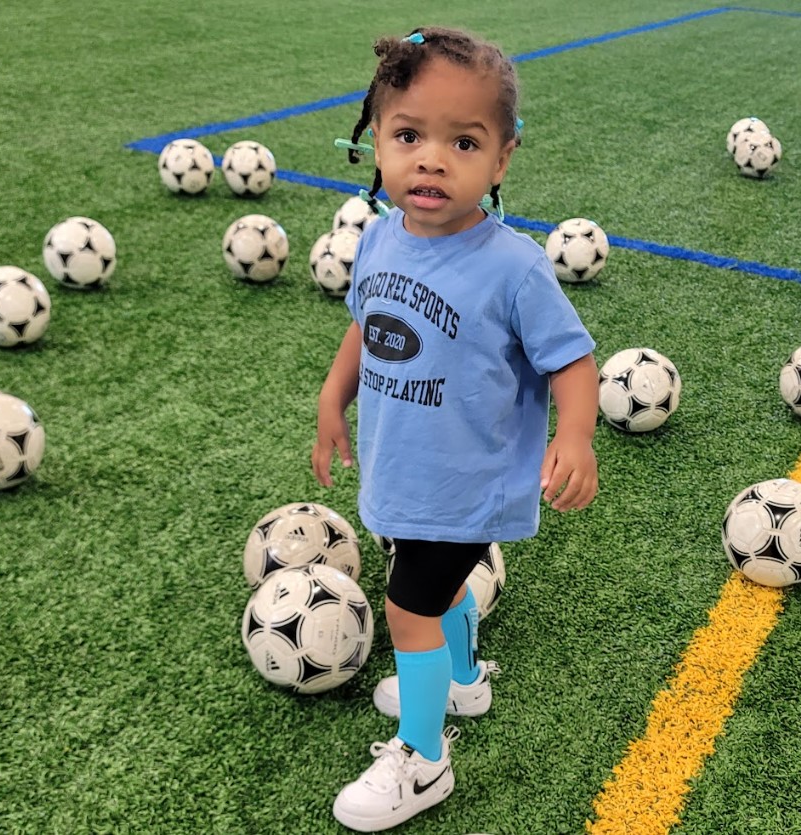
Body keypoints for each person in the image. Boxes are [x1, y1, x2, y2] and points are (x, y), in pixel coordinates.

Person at [311, 25, 599, 832]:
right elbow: (363, 328)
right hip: (402, 468)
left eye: (462, 141)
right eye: (408, 136)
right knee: (425, 588)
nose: (430, 159)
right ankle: (462, 677)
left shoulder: (513, 266)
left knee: (407, 609)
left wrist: (572, 437)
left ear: (501, 158)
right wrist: (333, 400)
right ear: (375, 143)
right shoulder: (376, 238)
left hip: (468, 481)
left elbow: (573, 361)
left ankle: (423, 756)